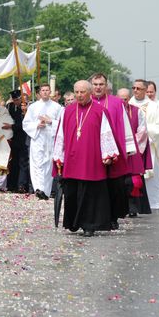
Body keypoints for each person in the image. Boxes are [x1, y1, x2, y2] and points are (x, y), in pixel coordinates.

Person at [52, 80, 119, 237]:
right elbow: (60, 135)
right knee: (72, 193)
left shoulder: (99, 111)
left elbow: (106, 134)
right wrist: (58, 156)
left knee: (90, 194)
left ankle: (90, 225)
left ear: (90, 93)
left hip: (92, 160)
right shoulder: (67, 111)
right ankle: (74, 223)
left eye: (82, 92)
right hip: (72, 159)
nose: (79, 95)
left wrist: (108, 155)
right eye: (77, 92)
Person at [90, 73, 135, 229]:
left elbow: (125, 125)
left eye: (101, 84)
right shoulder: (85, 103)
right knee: (96, 186)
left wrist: (128, 148)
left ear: (106, 86)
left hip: (113, 150)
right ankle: (97, 216)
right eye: (95, 84)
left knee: (114, 186)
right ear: (91, 86)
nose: (98, 87)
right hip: (93, 151)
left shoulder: (116, 103)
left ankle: (113, 217)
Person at [130, 80, 159, 209]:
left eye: (139, 88)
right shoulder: (128, 104)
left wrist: (142, 134)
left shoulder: (154, 106)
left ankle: (153, 203)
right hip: (131, 147)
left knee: (152, 177)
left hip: (150, 146)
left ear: (145, 90)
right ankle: (133, 205)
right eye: (133, 88)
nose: (135, 90)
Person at [22, 83, 62, 200]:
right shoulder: (33, 107)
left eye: (47, 90)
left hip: (50, 138)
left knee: (48, 164)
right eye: (43, 90)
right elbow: (26, 123)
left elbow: (60, 124)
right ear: (39, 92)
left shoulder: (57, 107)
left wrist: (50, 121)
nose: (45, 92)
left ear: (50, 92)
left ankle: (46, 190)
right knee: (37, 163)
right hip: (38, 138)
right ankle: (38, 188)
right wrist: (37, 125)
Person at [117, 88, 152, 216]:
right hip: (117, 151)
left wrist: (131, 146)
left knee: (133, 182)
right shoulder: (113, 110)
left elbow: (142, 131)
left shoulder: (137, 112)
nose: (123, 101)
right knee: (119, 182)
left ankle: (133, 208)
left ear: (129, 98)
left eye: (125, 99)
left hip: (132, 151)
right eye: (120, 98)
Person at [7, 90, 29, 193]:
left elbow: (24, 124)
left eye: (17, 99)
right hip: (13, 139)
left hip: (23, 138)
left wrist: (11, 126)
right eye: (14, 100)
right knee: (13, 162)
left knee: (23, 163)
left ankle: (21, 185)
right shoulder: (10, 106)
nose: (16, 102)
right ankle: (12, 184)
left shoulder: (25, 107)